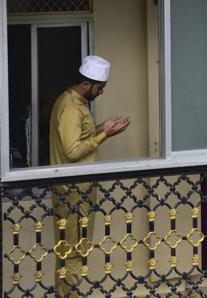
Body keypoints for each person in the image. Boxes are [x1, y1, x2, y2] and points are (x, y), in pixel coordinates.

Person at [49, 55, 129, 296]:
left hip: (73, 190)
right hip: (72, 192)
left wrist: (102, 129)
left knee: (71, 250)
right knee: (72, 253)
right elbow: (73, 152)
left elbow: (77, 141)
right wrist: (103, 135)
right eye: (100, 88)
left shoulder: (72, 103)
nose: (102, 92)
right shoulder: (72, 108)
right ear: (86, 85)